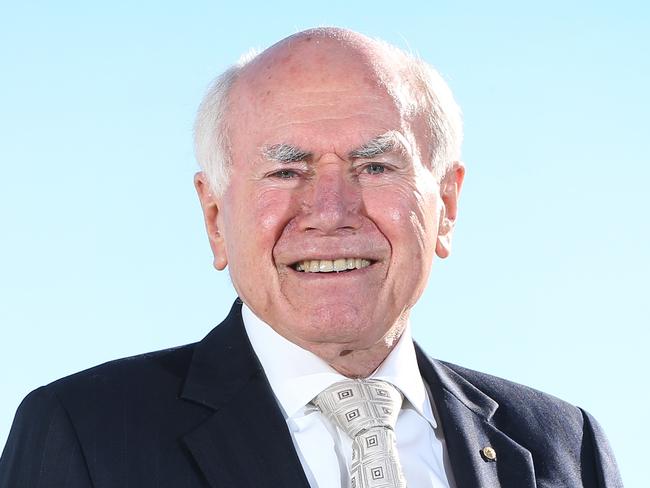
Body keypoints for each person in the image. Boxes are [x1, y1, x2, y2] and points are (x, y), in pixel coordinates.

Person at [0, 27, 622, 488]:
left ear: (448, 204)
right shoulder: (85, 434)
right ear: (215, 217)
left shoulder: (566, 448)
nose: (330, 210)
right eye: (285, 170)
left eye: (373, 166)